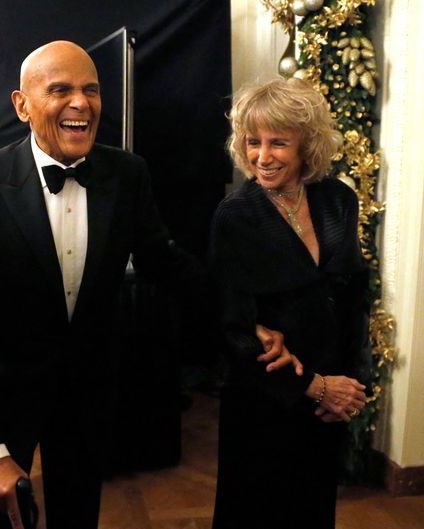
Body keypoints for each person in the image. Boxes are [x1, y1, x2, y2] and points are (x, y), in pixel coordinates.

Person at [0, 40, 294, 529]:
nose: (81, 103)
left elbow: (168, 266)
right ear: (22, 105)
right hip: (0, 399)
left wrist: (247, 322)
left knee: (78, 515)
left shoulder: (127, 174)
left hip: (88, 392)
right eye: (61, 90)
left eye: (91, 90)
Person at [210, 78, 370, 529]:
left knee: (313, 512)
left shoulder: (339, 199)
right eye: (252, 142)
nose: (262, 156)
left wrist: (349, 384)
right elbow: (234, 329)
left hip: (328, 403)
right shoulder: (236, 216)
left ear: (307, 145)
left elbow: (355, 294)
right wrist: (314, 386)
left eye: (278, 142)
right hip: (267, 402)